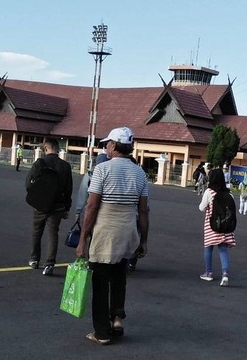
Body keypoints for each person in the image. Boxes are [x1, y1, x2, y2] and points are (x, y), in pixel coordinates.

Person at [76, 127, 149, 345]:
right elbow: (143, 211)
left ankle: (102, 332)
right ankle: (117, 319)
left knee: (100, 281)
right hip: (128, 232)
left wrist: (83, 239)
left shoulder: (102, 170)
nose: (106, 147)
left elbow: (92, 206)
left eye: (108, 144)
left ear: (115, 146)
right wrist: (144, 240)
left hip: (105, 232)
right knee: (119, 277)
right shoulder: (140, 173)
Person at [27, 138, 73, 276]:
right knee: (53, 234)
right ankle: (50, 264)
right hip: (57, 206)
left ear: (46, 149)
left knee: (37, 232)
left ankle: (34, 259)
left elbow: (28, 185)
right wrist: (67, 208)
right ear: (57, 149)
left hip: (40, 205)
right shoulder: (65, 166)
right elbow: (69, 189)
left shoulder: (39, 163)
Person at [198, 168, 236, 286]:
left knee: (208, 247)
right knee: (222, 249)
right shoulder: (229, 193)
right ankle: (225, 274)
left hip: (211, 225)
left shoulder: (209, 192)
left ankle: (208, 273)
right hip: (225, 226)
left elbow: (201, 207)